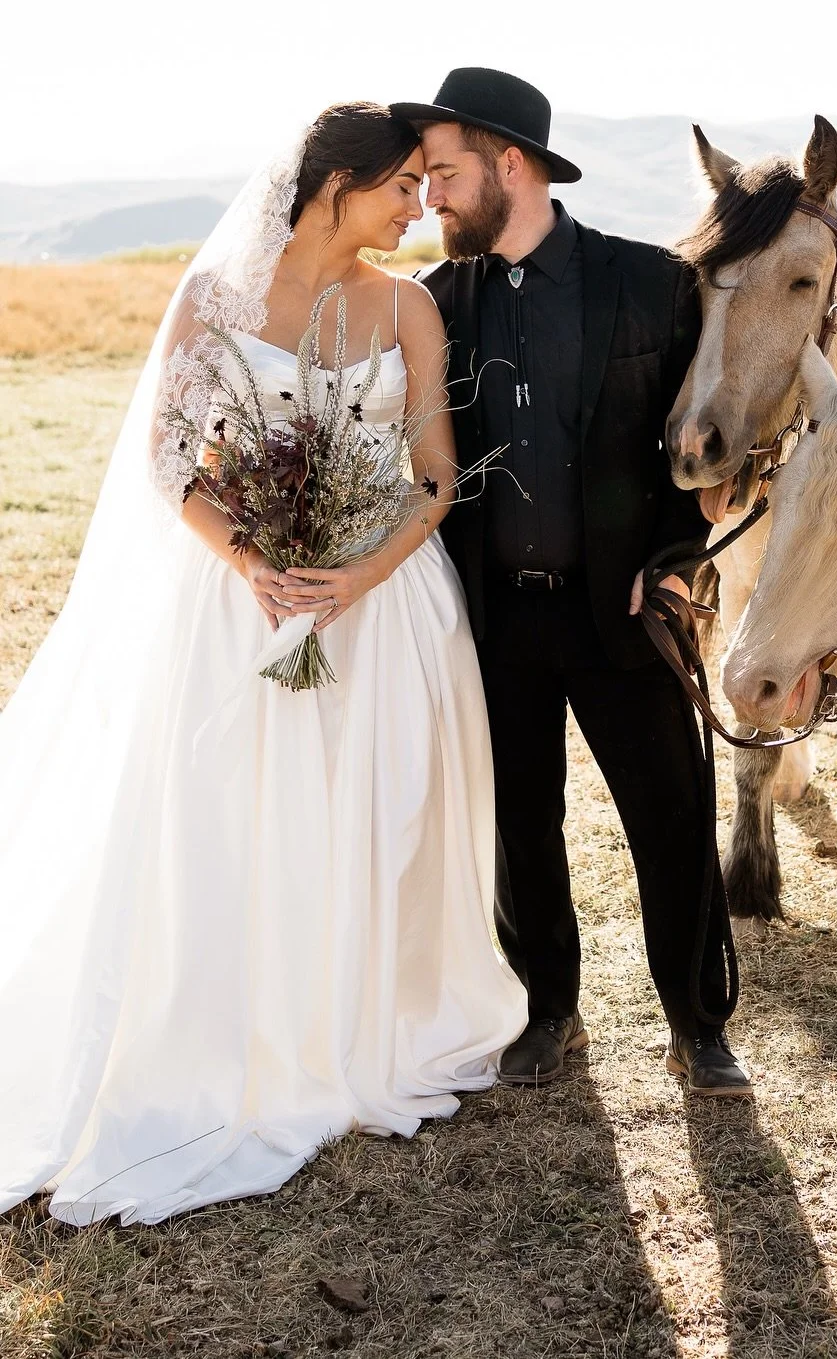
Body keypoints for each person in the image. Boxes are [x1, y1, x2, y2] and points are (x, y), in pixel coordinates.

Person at [0, 103, 528, 1226]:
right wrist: (255, 562)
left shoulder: (408, 306)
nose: (416, 208)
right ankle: (235, 1028)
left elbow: (436, 474)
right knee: (234, 815)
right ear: (338, 184)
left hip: (381, 608)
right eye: (400, 188)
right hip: (243, 605)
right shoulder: (217, 302)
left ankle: (356, 1023)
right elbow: (166, 461)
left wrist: (355, 577)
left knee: (371, 813)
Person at [394, 69, 751, 1097]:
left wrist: (681, 562)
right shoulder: (434, 303)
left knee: (671, 816)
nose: (434, 198)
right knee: (520, 820)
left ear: (514, 165)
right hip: (495, 611)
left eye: (448, 174)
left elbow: (705, 451)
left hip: (627, 609)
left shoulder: (652, 283)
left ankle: (698, 1022)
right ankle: (547, 1011)